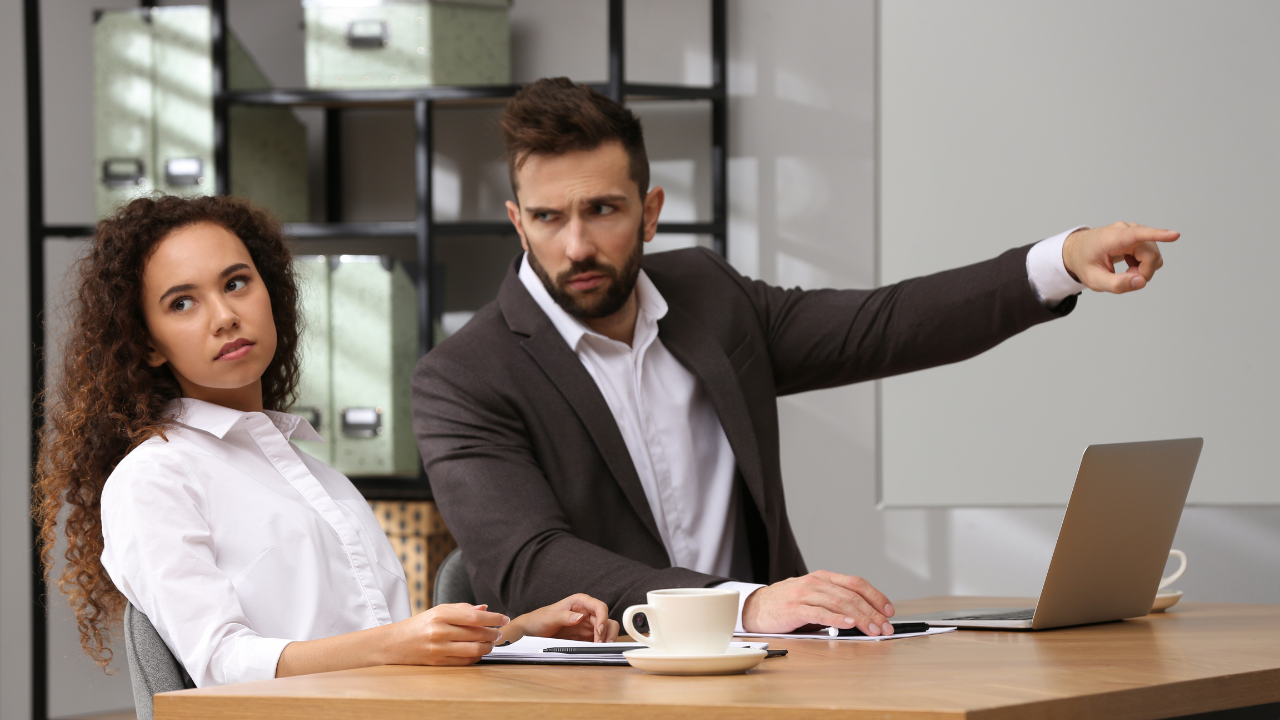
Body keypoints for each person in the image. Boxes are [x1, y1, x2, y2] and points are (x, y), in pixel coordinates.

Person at [411, 77, 1178, 638]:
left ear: (649, 213)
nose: (575, 244)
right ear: (517, 223)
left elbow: (882, 324)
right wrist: (744, 603)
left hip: (775, 668)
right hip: (606, 686)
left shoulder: (709, 296)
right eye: (548, 218)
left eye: (602, 210)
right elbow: (531, 563)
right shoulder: (463, 379)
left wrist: (1059, 259)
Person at [34, 195, 619, 687]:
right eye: (181, 302)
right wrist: (398, 642)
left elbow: (383, 643)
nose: (224, 316)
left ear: (270, 294)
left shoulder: (316, 476)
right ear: (148, 343)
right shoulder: (154, 478)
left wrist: (516, 632)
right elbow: (221, 662)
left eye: (236, 283)